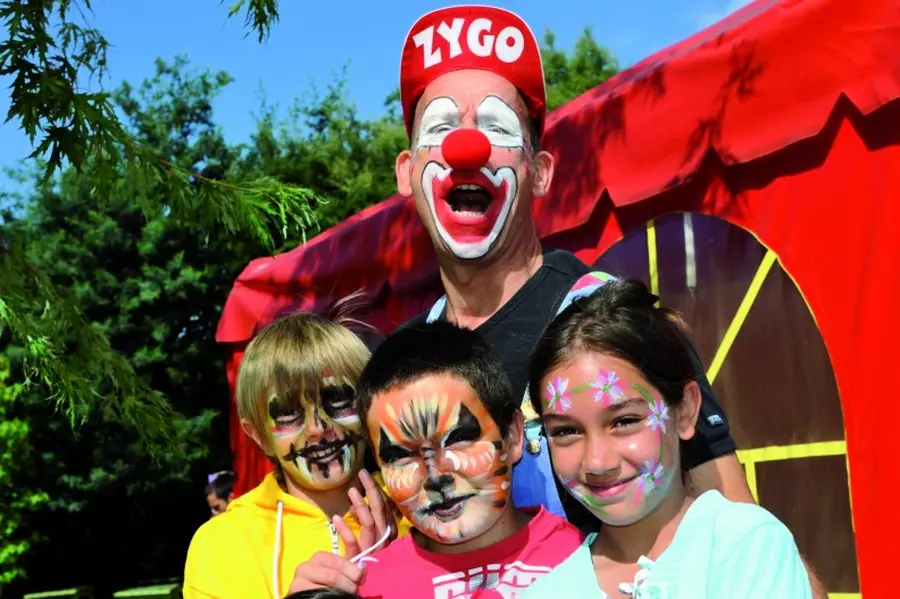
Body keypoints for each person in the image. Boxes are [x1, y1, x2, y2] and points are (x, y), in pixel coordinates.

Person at [393, 4, 752, 518]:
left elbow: (739, 530)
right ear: (407, 172)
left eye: (496, 129)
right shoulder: (400, 363)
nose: (465, 148)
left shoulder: (618, 321)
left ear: (539, 172)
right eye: (441, 126)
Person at [522, 279, 812, 598]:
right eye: (566, 431)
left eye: (625, 421)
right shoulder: (545, 592)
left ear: (685, 411)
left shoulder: (746, 548)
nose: (597, 461)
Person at [350, 321, 584, 598]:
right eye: (401, 455)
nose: (436, 476)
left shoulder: (583, 565)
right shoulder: (369, 587)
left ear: (512, 435)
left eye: (457, 439)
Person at [184, 313, 409, 599]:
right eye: (289, 413)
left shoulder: (418, 512)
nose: (317, 428)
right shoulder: (221, 545)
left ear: (367, 408)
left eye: (337, 400)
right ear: (259, 436)